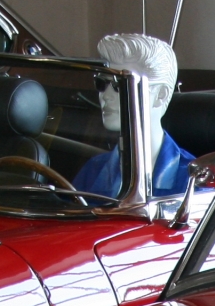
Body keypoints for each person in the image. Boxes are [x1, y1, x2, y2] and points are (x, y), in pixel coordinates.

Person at [74, 32, 195, 200]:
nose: (105, 96)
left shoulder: (193, 181)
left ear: (160, 94)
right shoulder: (93, 171)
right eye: (101, 83)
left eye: (120, 85)